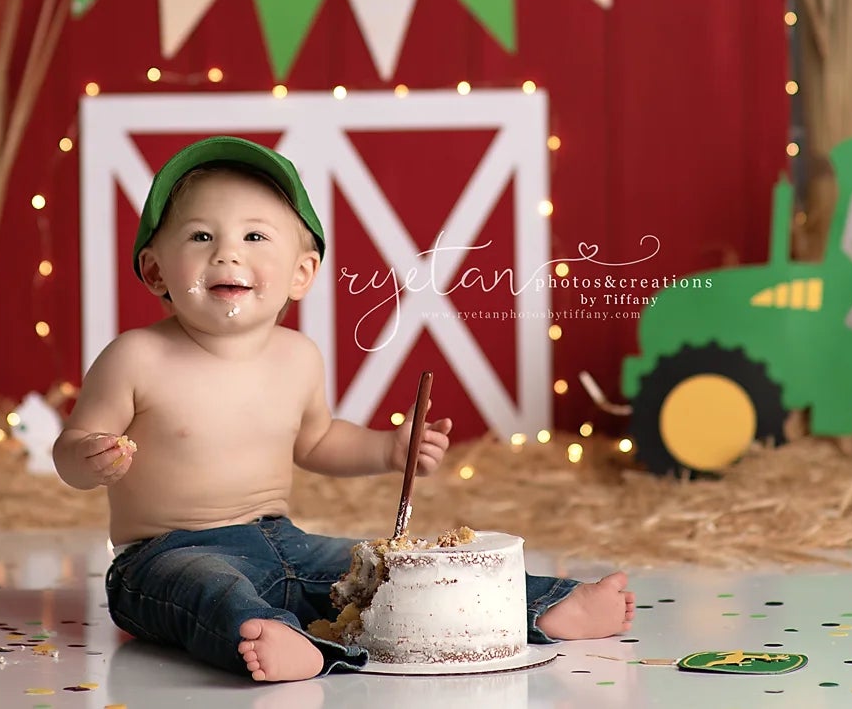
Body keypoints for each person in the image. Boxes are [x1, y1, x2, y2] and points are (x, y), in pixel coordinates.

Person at [54, 136, 635, 681]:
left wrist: (387, 448)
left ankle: (542, 605)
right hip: (164, 554)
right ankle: (276, 639)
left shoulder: (297, 357)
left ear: (301, 274)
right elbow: (73, 447)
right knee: (207, 590)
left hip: (284, 542)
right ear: (155, 268)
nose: (227, 252)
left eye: (255, 237)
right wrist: (91, 456)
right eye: (201, 236)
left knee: (392, 570)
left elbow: (317, 440)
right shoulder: (137, 356)